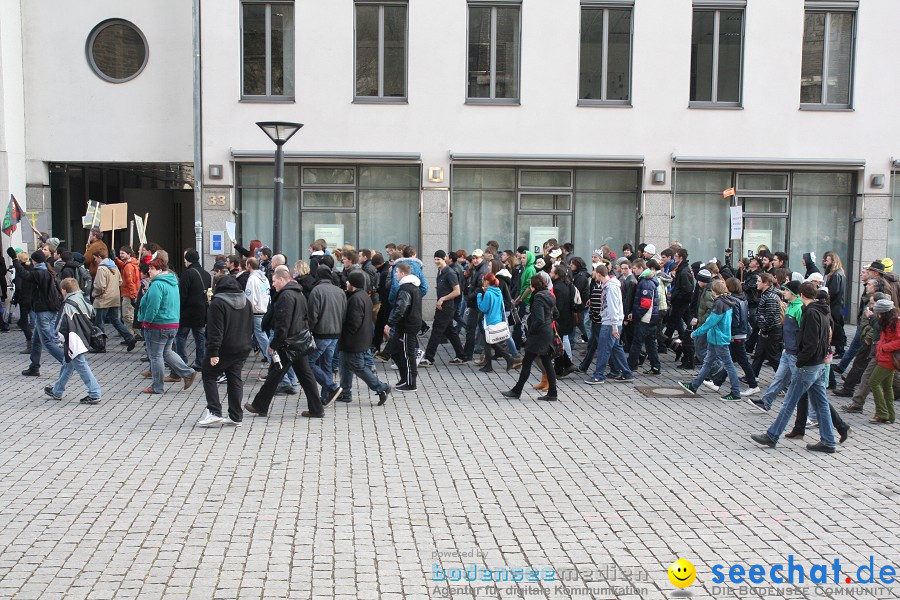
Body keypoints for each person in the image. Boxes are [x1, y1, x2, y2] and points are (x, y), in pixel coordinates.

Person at [751, 282, 837, 453]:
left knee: (790, 402)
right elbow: (826, 336)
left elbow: (810, 342)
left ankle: (772, 435)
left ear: (801, 295)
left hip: (809, 365)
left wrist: (800, 361)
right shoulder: (823, 310)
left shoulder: (811, 313)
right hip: (818, 363)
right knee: (821, 403)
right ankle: (828, 441)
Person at [245, 266, 323, 418]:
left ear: (282, 279)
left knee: (276, 373)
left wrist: (274, 344)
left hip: (288, 343)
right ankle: (316, 409)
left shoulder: (286, 296)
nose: (272, 284)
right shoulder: (298, 293)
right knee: (304, 376)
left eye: (274, 281)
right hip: (297, 341)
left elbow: (283, 323)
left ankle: (259, 405)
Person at [198, 275, 253, 427]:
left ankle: (214, 411)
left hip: (224, 348)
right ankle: (236, 415)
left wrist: (213, 352)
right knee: (235, 378)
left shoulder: (218, 303)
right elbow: (250, 325)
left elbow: (215, 330)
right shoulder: (246, 301)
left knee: (208, 374)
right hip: (242, 347)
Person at [137, 258, 197, 394]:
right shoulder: (172, 282)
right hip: (172, 323)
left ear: (160, 270)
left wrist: (147, 321)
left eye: (152, 269)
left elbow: (153, 306)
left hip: (158, 324)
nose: (149, 271)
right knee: (167, 352)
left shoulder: (157, 285)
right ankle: (187, 372)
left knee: (155, 356)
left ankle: (157, 386)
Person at [679, 279, 742, 401]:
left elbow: (710, 322)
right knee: (708, 362)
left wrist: (695, 333)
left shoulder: (719, 304)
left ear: (714, 291)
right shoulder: (727, 301)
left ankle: (735, 392)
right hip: (718, 338)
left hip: (718, 339)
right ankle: (694, 385)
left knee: (728, 365)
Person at [44, 277, 102, 404]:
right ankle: (57, 390)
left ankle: (94, 392)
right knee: (68, 363)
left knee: (81, 365)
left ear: (64, 290)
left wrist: (57, 337)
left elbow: (59, 325)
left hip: (73, 338)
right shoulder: (83, 299)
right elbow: (92, 314)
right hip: (84, 335)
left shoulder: (67, 304)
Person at [502, 275, 559, 400]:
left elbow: (539, 319)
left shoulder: (538, 298)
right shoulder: (549, 295)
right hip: (547, 331)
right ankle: (552, 392)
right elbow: (556, 314)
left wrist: (531, 331)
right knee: (546, 361)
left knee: (527, 361)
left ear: (533, 286)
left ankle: (517, 391)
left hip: (538, 334)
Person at [338, 270, 391, 405]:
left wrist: (346, 337)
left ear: (353, 283)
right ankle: (345, 392)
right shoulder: (362, 295)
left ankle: (381, 387)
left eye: (348, 281)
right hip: (357, 338)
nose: (346, 282)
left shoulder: (356, 299)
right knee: (345, 365)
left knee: (358, 366)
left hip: (354, 340)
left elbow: (354, 323)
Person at [15, 250, 64, 377]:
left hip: (43, 311)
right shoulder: (48, 271)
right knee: (36, 340)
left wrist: (15, 260)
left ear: (34, 261)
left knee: (47, 342)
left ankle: (67, 362)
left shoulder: (40, 273)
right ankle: (34, 367)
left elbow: (24, 274)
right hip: (50, 309)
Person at [584, 265, 635, 384]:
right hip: (612, 321)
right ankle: (627, 373)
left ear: (599, 274)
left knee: (604, 348)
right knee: (616, 348)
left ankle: (599, 375)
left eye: (594, 272)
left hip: (610, 323)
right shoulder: (610, 286)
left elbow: (613, 307)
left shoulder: (610, 288)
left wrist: (614, 326)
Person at [307, 266, 347, 405]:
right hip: (335, 333)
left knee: (309, 362)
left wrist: (309, 330)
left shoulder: (316, 290)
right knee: (326, 365)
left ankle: (331, 387)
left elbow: (313, 315)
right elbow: (343, 313)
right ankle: (326, 396)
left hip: (321, 333)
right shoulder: (340, 291)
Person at [421, 250, 465, 366]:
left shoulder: (450, 272)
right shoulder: (440, 271)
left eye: (438, 259)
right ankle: (461, 355)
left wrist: (443, 298)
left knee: (436, 331)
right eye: (435, 259)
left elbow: (457, 291)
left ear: (445, 258)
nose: (436, 261)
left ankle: (429, 358)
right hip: (442, 306)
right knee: (450, 331)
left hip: (446, 307)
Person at [385, 261, 423, 392]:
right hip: (405, 324)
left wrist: (390, 323)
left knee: (407, 354)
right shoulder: (411, 287)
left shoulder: (406, 288)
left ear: (402, 273)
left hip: (408, 325)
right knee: (395, 350)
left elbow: (401, 308)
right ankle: (404, 378)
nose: (395, 274)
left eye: (396, 272)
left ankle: (411, 383)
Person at [91, 247, 137, 351]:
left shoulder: (101, 268)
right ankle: (129, 338)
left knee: (99, 323)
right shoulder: (114, 266)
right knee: (116, 321)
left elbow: (100, 286)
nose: (95, 260)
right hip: (115, 298)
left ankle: (100, 346)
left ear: (99, 257)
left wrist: (94, 294)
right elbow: (120, 281)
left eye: (95, 258)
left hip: (103, 299)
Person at [868, 298, 899, 424]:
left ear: (883, 312)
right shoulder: (889, 321)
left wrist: (884, 348)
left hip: (888, 358)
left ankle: (882, 413)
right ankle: (890, 415)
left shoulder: (895, 322)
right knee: (887, 387)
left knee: (874, 382)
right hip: (886, 357)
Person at [477, 272, 515, 373]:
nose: (482, 282)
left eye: (483, 280)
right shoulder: (497, 291)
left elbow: (483, 308)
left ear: (487, 281)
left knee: (488, 343)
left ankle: (490, 365)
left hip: (489, 321)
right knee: (491, 342)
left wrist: (479, 296)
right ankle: (507, 359)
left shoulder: (488, 293)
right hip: (497, 319)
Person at [628, 261, 661, 375]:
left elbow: (646, 304)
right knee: (650, 343)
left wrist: (637, 315)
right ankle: (655, 366)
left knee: (637, 342)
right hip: (650, 317)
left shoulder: (645, 282)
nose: (633, 270)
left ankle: (630, 366)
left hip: (646, 318)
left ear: (642, 268)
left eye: (635, 268)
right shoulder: (647, 280)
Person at [244, 257, 271, 362]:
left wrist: (247, 310)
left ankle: (272, 358)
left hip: (256, 312)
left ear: (249, 265)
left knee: (261, 336)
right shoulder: (263, 278)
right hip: (263, 309)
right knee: (260, 335)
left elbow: (250, 298)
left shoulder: (252, 279)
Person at [114, 246, 141, 340]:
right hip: (130, 293)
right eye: (120, 253)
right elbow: (123, 265)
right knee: (131, 315)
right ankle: (137, 333)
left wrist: (133, 295)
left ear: (129, 254)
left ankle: (130, 336)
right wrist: (116, 260)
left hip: (128, 294)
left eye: (123, 253)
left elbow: (130, 282)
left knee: (127, 315)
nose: (120, 255)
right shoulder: (130, 264)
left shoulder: (128, 266)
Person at [822, 251, 846, 356]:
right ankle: (839, 348)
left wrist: (825, 296)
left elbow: (833, 290)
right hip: (836, 304)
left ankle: (840, 349)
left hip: (835, 305)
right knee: (837, 325)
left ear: (833, 261)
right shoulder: (836, 273)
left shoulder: (836, 274)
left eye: (827, 260)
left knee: (837, 326)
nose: (825, 262)